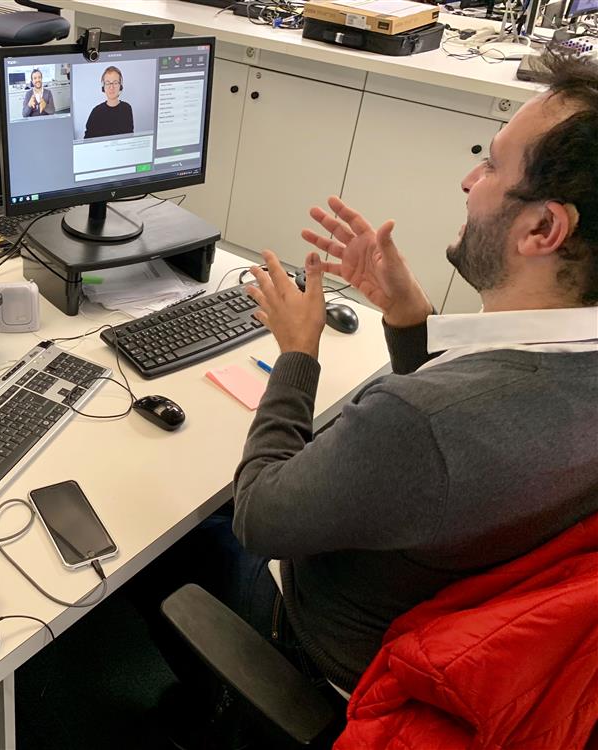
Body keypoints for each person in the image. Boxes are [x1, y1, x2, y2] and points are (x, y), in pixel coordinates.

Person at [139, 51, 598, 720]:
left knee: (165, 529)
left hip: (330, 651)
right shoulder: (566, 370)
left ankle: (209, 709)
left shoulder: (421, 424)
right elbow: (463, 436)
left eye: (494, 165)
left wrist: (298, 351)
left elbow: (261, 517)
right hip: (446, 618)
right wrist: (410, 318)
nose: (469, 180)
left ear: (542, 229)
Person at [83, 66, 133, 139]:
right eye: (108, 83)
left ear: (120, 86)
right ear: (103, 87)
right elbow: (87, 140)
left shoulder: (127, 108)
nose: (111, 87)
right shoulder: (96, 112)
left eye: (115, 83)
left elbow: (129, 137)